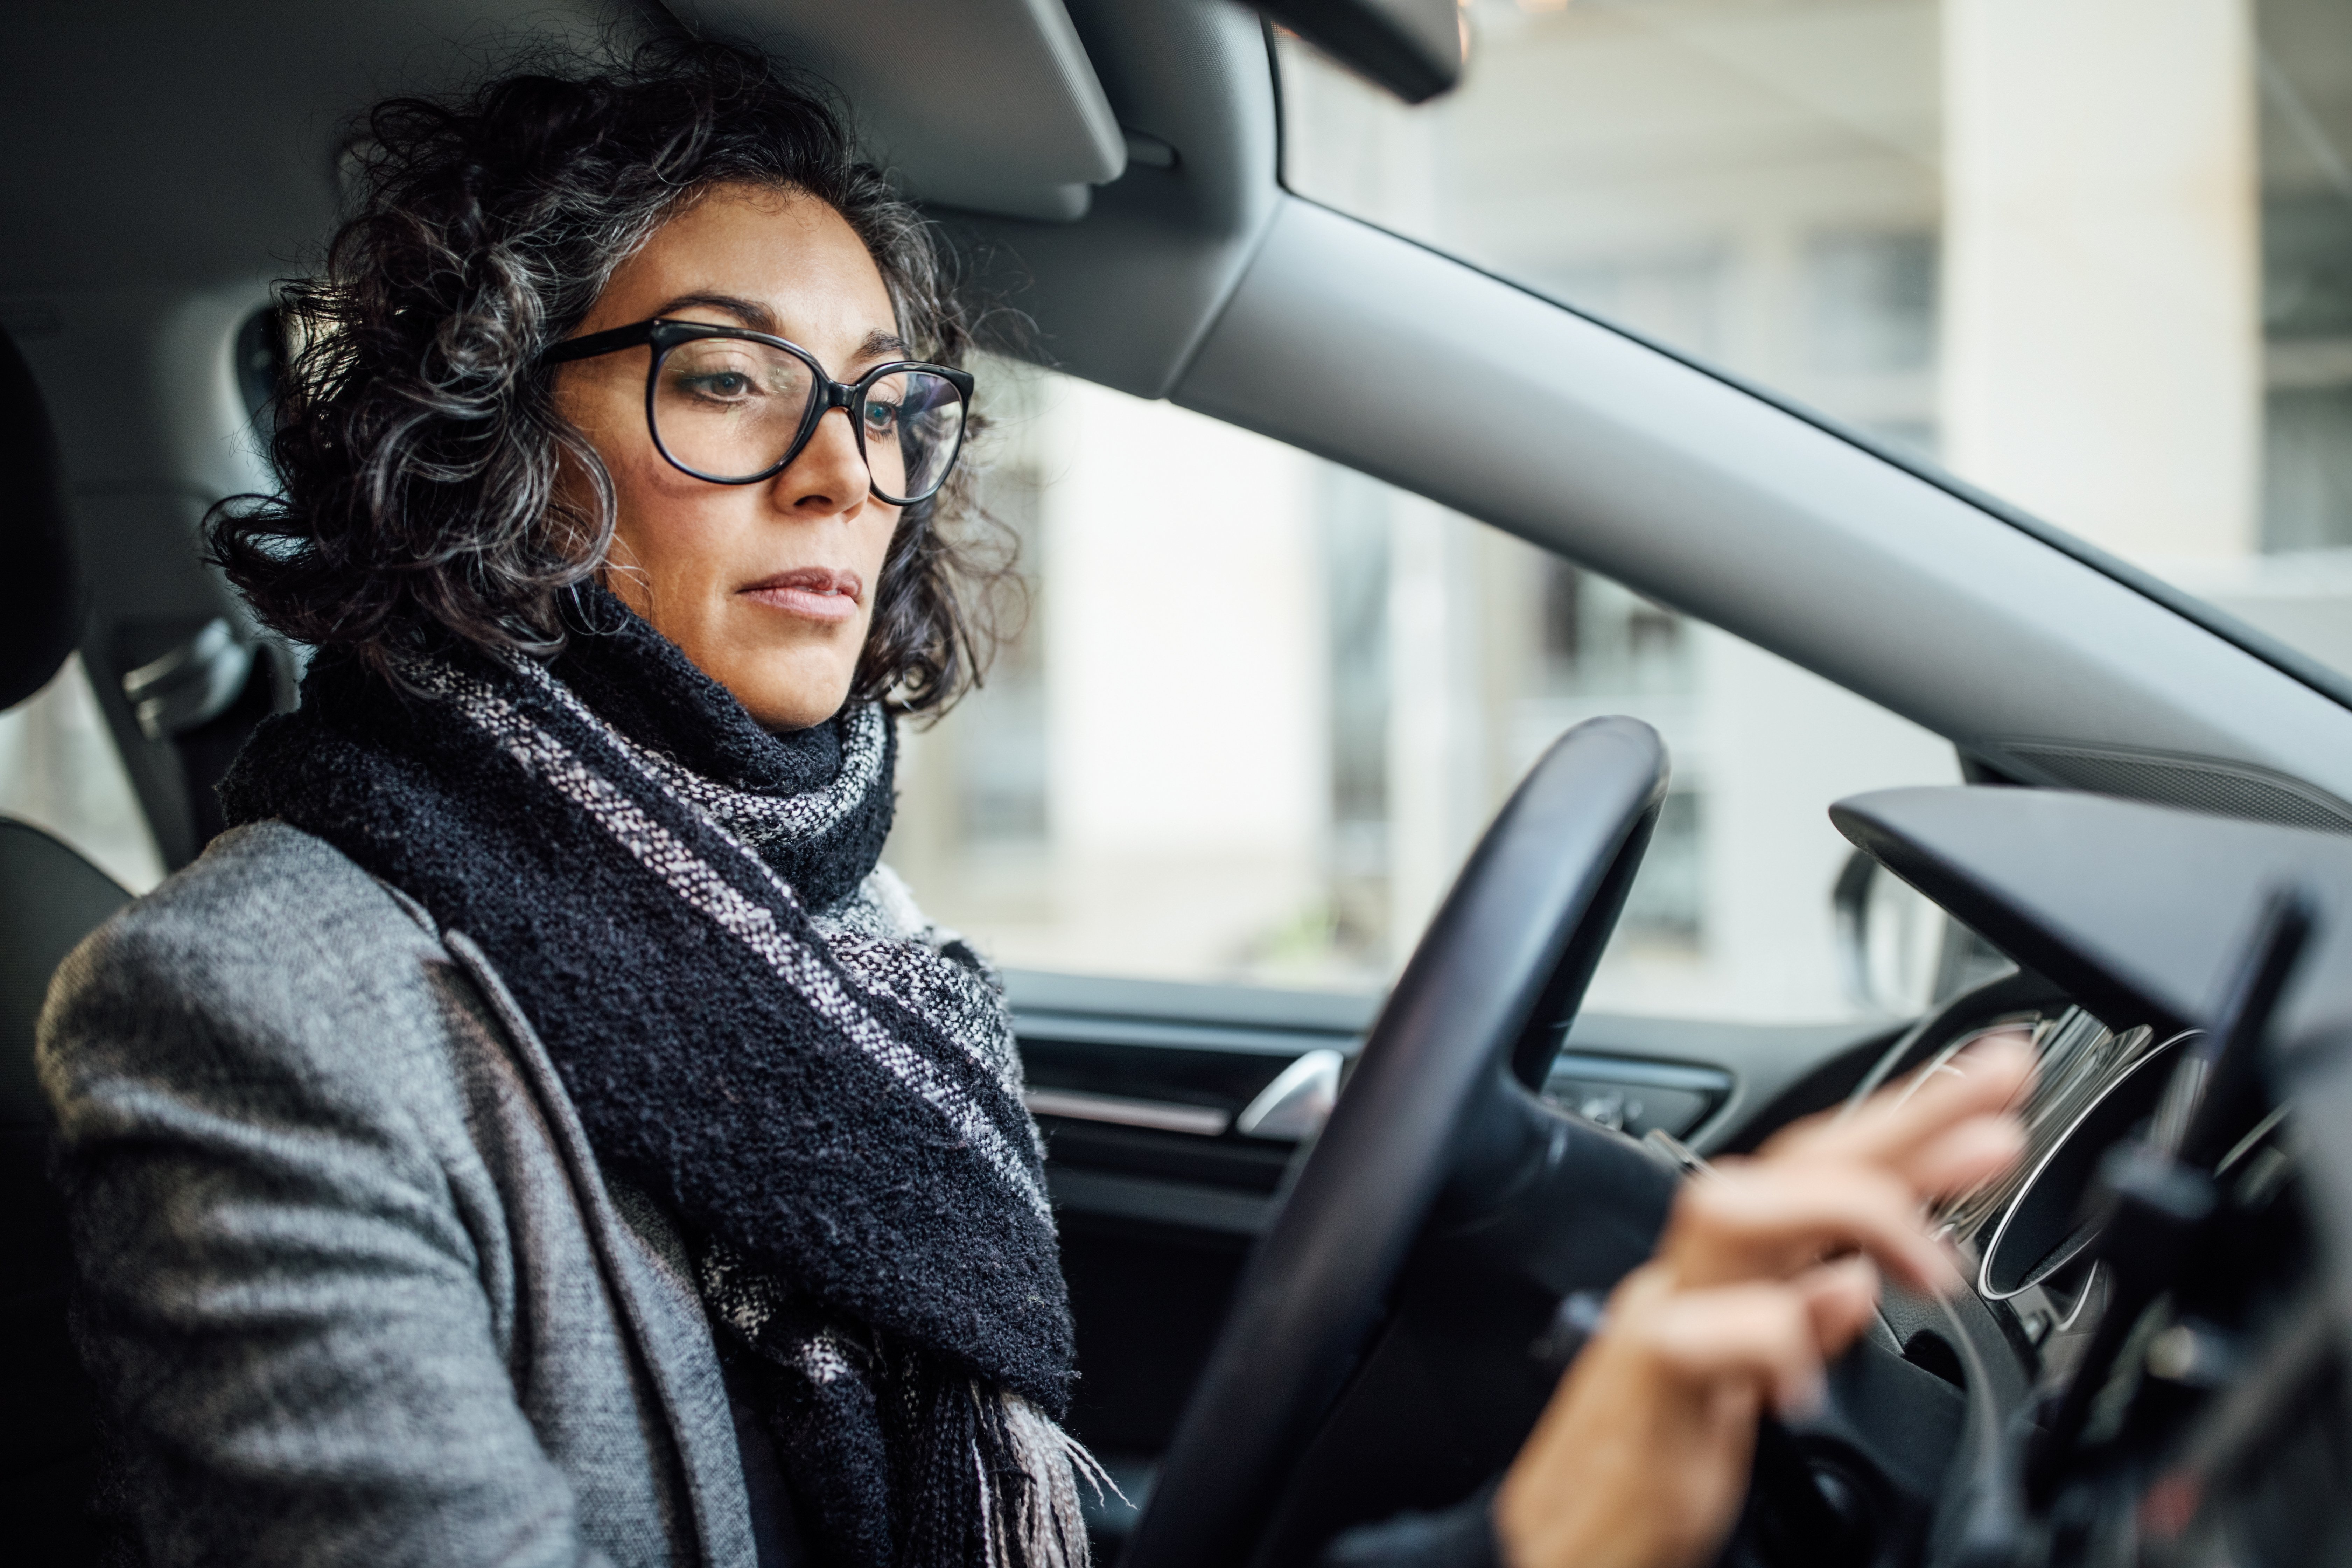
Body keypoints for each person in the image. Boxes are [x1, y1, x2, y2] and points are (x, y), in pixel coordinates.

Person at [34, 37, 2032, 1568]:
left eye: (893, 403)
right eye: (725, 380)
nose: (849, 478)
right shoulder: (250, 1012)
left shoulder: (852, 938)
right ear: (484, 429)